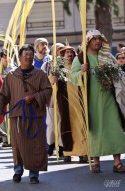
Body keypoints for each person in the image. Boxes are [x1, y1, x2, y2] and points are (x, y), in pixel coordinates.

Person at [70, 29, 125, 173]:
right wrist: (81, 71)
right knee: (94, 130)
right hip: (91, 101)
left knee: (115, 127)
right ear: (88, 41)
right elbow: (73, 77)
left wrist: (112, 80)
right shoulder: (81, 59)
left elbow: (119, 74)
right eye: (94, 39)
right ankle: (95, 162)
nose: (98, 42)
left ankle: (117, 162)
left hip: (109, 99)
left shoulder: (108, 57)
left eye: (100, 39)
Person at [0, 44, 52, 184]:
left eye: (31, 54)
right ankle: (18, 170)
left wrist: (34, 97)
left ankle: (34, 174)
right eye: (25, 54)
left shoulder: (40, 74)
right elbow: (4, 95)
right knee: (17, 145)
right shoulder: (11, 76)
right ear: (20, 57)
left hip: (35, 116)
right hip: (17, 115)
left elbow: (47, 91)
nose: (29, 56)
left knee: (36, 146)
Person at [50, 46, 88, 163]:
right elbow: (51, 83)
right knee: (65, 125)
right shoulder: (58, 68)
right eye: (66, 52)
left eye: (71, 52)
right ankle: (67, 152)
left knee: (80, 126)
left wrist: (83, 71)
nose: (69, 54)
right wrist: (53, 80)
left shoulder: (78, 66)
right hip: (64, 101)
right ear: (62, 55)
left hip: (78, 100)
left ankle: (83, 153)